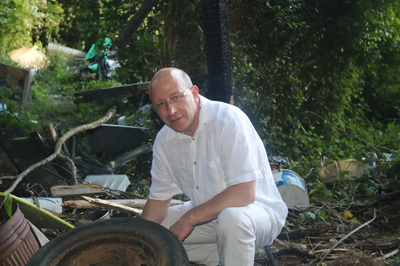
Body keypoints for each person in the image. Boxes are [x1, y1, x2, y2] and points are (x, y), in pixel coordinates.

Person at [141, 67, 288, 266]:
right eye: (161, 104)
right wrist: (136, 242)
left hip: (255, 212)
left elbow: (244, 194)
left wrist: (189, 219)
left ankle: (234, 252)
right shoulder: (164, 140)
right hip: (206, 217)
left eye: (176, 97)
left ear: (194, 93)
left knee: (232, 219)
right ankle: (223, 255)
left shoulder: (228, 121)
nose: (171, 111)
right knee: (154, 233)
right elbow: (158, 202)